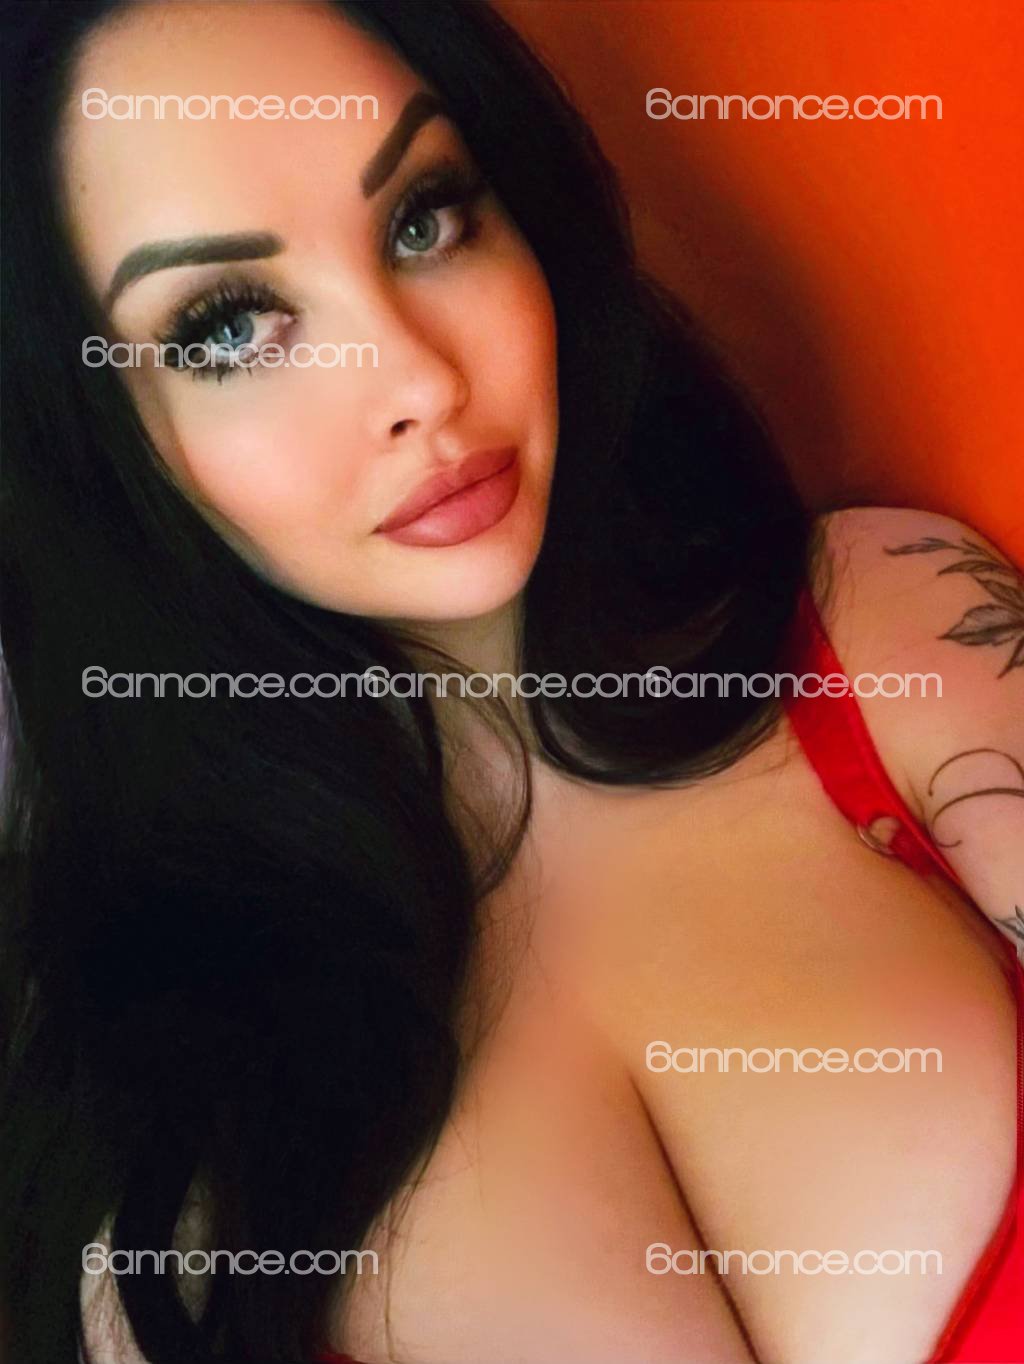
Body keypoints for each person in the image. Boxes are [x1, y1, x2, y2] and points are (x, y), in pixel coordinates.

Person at [1, 2, 1020, 1362]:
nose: (420, 380)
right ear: (90, 445)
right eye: (229, 327)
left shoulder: (885, 626)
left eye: (424, 219)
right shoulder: (137, 1150)